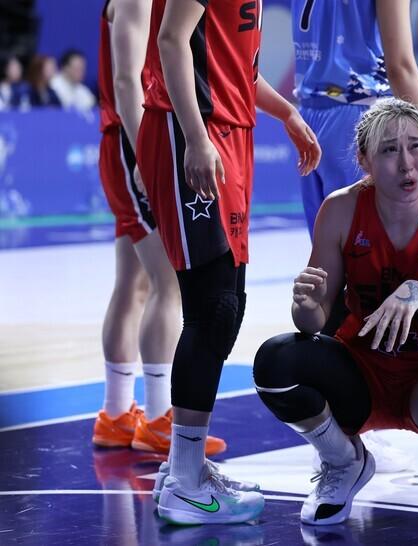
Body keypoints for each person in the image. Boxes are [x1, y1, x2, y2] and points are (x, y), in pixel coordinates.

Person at [253, 98, 418, 530]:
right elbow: (311, 323)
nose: (406, 163)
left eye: (416, 146)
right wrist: (305, 307)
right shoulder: (341, 210)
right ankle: (342, 461)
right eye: (389, 150)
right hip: (360, 375)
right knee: (275, 362)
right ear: (364, 160)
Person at [137, 0, 321, 525]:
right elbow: (171, 40)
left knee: (227, 305)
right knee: (212, 306)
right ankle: (184, 481)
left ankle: (185, 468)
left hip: (229, 132)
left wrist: (286, 112)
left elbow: (234, 68)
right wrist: (195, 137)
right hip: (191, 129)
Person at [292, 0, 418, 472]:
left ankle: (338, 436)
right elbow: (401, 64)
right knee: (376, 277)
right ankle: (370, 417)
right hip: (359, 119)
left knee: (331, 277)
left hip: (311, 112)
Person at [90, 0, 225, 458]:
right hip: (130, 142)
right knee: (167, 283)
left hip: (123, 143)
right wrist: (142, 153)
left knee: (134, 284)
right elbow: (127, 80)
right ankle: (157, 416)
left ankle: (115, 414)